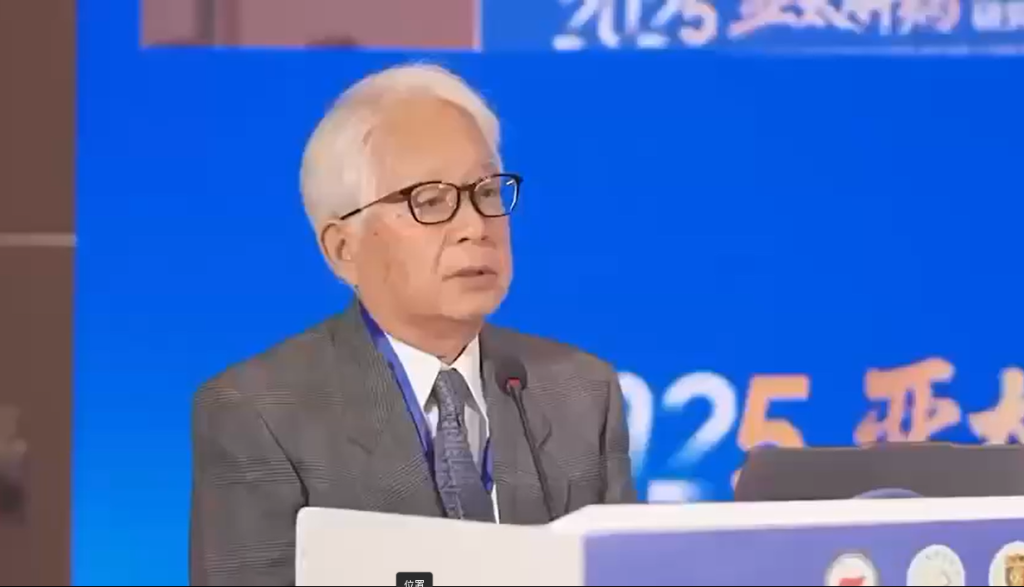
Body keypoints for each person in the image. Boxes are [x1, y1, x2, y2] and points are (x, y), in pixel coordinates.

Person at [189, 63, 636, 586]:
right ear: (343, 249)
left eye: (487, 192)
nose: (475, 226)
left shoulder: (581, 390)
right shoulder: (259, 412)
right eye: (430, 201)